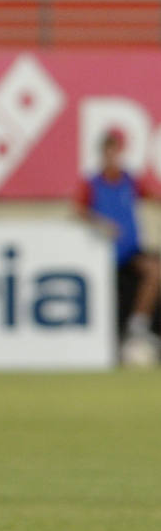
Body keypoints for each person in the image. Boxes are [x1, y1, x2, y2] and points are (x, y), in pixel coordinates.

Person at [75, 128, 160, 360]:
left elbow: (153, 197)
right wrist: (101, 223)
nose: (112, 157)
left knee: (155, 270)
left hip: (130, 251)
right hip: (103, 254)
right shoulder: (92, 183)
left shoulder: (130, 181)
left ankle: (138, 324)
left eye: (116, 152)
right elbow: (78, 210)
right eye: (108, 152)